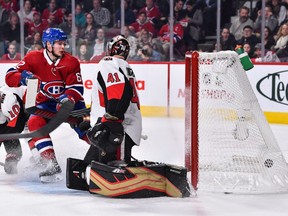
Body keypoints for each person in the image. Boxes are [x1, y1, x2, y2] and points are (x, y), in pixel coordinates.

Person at [5, 28, 88, 183]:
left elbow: (77, 88)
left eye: (64, 43)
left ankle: (105, 155)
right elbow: (9, 76)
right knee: (34, 121)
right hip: (46, 105)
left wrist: (67, 97)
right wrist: (23, 77)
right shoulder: (33, 58)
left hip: (72, 104)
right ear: (48, 44)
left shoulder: (71, 61)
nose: (63, 47)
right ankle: (50, 163)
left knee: (86, 128)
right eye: (59, 43)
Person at [84, 34, 142, 166]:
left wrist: (112, 119)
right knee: (89, 166)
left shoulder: (109, 62)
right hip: (120, 123)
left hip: (118, 127)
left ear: (109, 49)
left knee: (115, 170)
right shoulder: (125, 66)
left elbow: (119, 91)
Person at [0, 85, 27, 174]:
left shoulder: (8, 101)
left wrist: (13, 157)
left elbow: (16, 128)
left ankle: (42, 158)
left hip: (31, 105)